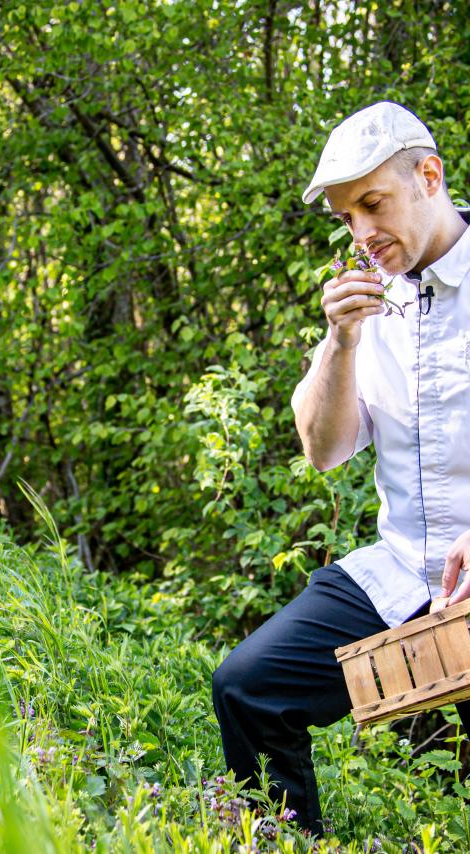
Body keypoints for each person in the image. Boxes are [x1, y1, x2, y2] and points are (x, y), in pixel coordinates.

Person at [212, 101, 470, 836]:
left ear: (429, 176)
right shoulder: (367, 296)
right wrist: (341, 341)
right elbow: (322, 450)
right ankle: (288, 845)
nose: (361, 234)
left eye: (373, 204)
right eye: (346, 217)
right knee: (247, 687)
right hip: (404, 570)